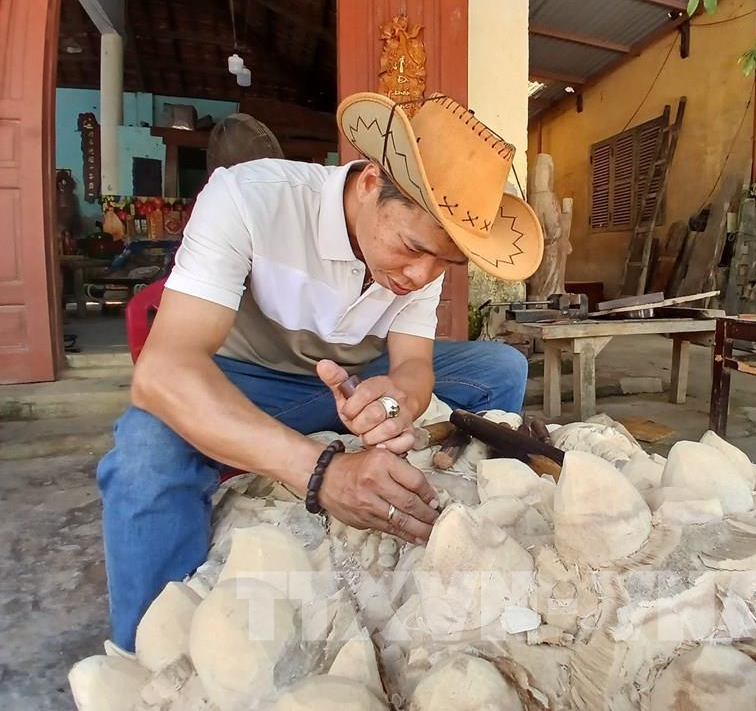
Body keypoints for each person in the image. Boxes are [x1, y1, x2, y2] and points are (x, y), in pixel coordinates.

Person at [97, 92, 543, 652]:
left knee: (500, 368)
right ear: (370, 182)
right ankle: (154, 658)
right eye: (411, 247)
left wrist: (396, 401)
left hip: (351, 379)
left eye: (444, 263)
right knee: (144, 455)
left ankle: (454, 520)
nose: (420, 275)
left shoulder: (422, 262)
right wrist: (321, 472)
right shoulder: (250, 197)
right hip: (245, 380)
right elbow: (163, 370)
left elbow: (412, 364)